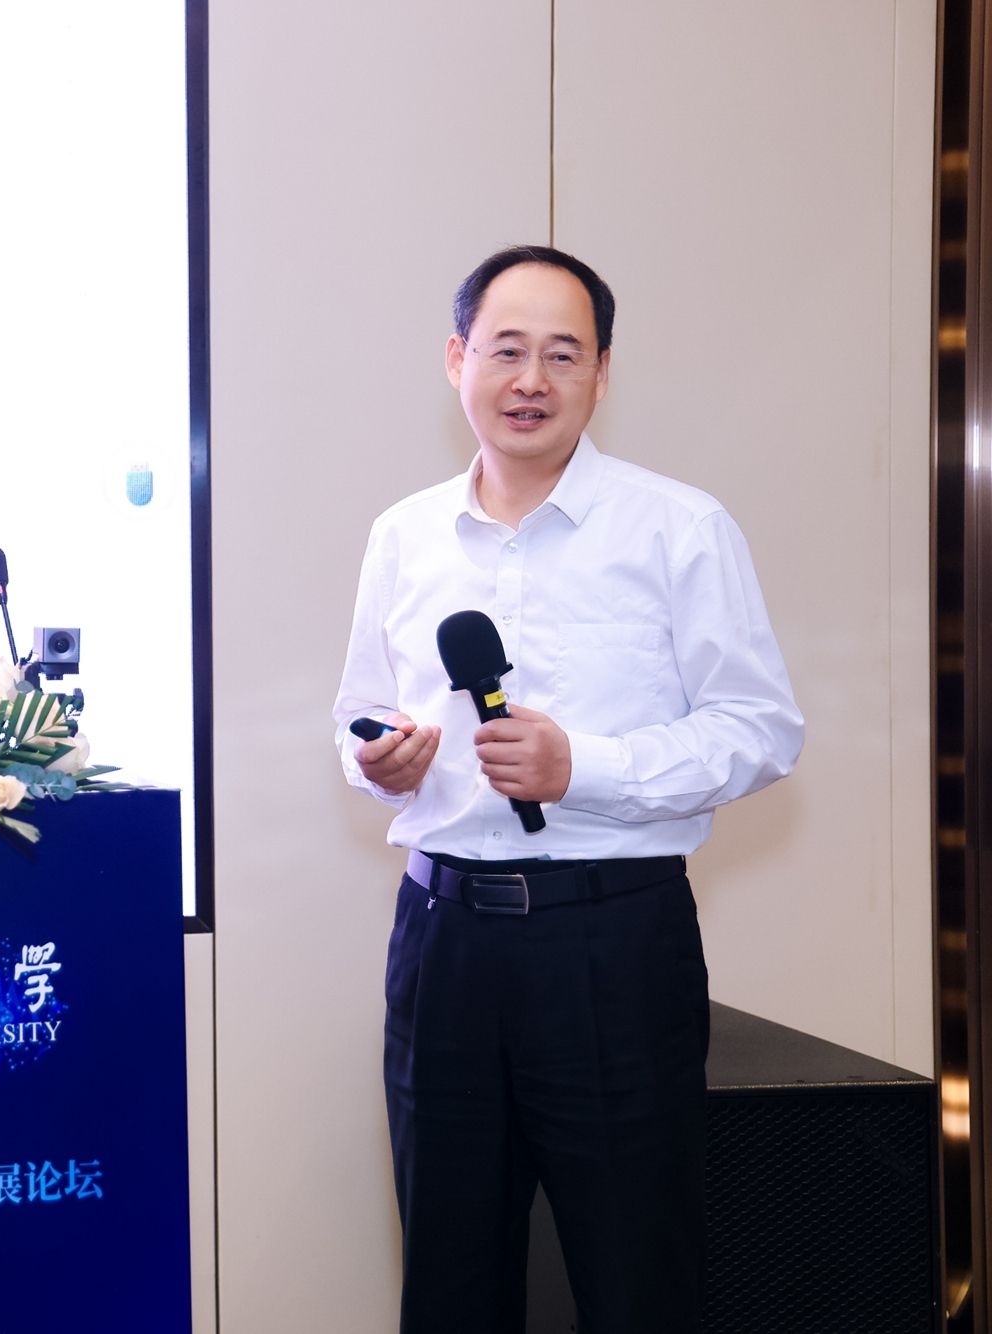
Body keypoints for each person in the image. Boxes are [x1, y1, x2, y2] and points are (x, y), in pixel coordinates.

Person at [332, 245, 804, 1334]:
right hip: (442, 944)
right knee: (448, 1280)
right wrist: (376, 757)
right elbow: (358, 710)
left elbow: (760, 728)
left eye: (561, 353)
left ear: (601, 371)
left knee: (638, 1278)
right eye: (505, 350)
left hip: (612, 945)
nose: (530, 380)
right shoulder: (403, 534)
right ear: (456, 360)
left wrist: (581, 766)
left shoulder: (678, 527)